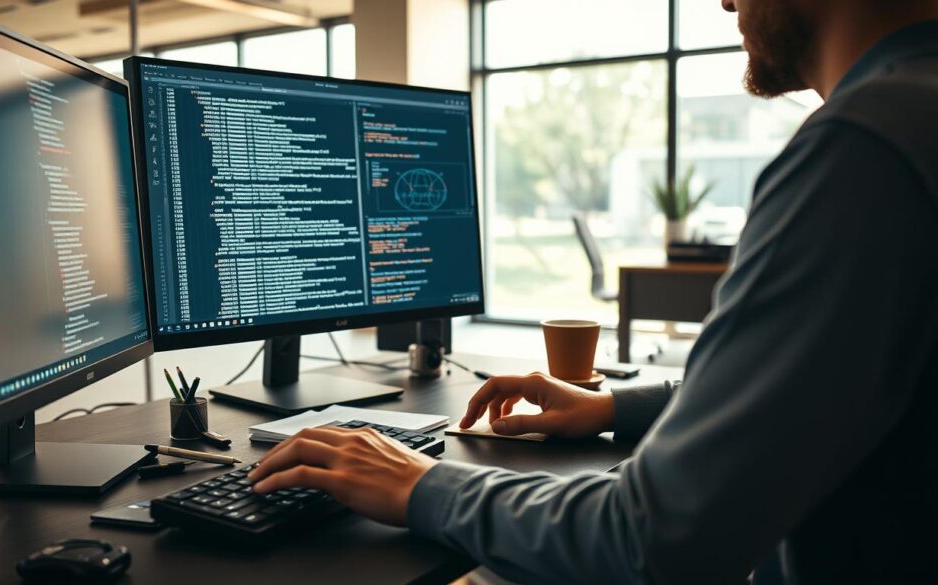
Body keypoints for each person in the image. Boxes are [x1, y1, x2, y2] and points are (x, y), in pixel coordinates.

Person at [249, 0, 938, 582]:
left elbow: (655, 538)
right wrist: (611, 403)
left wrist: (420, 483)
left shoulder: (862, 150)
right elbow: (812, 390)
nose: (727, 1)